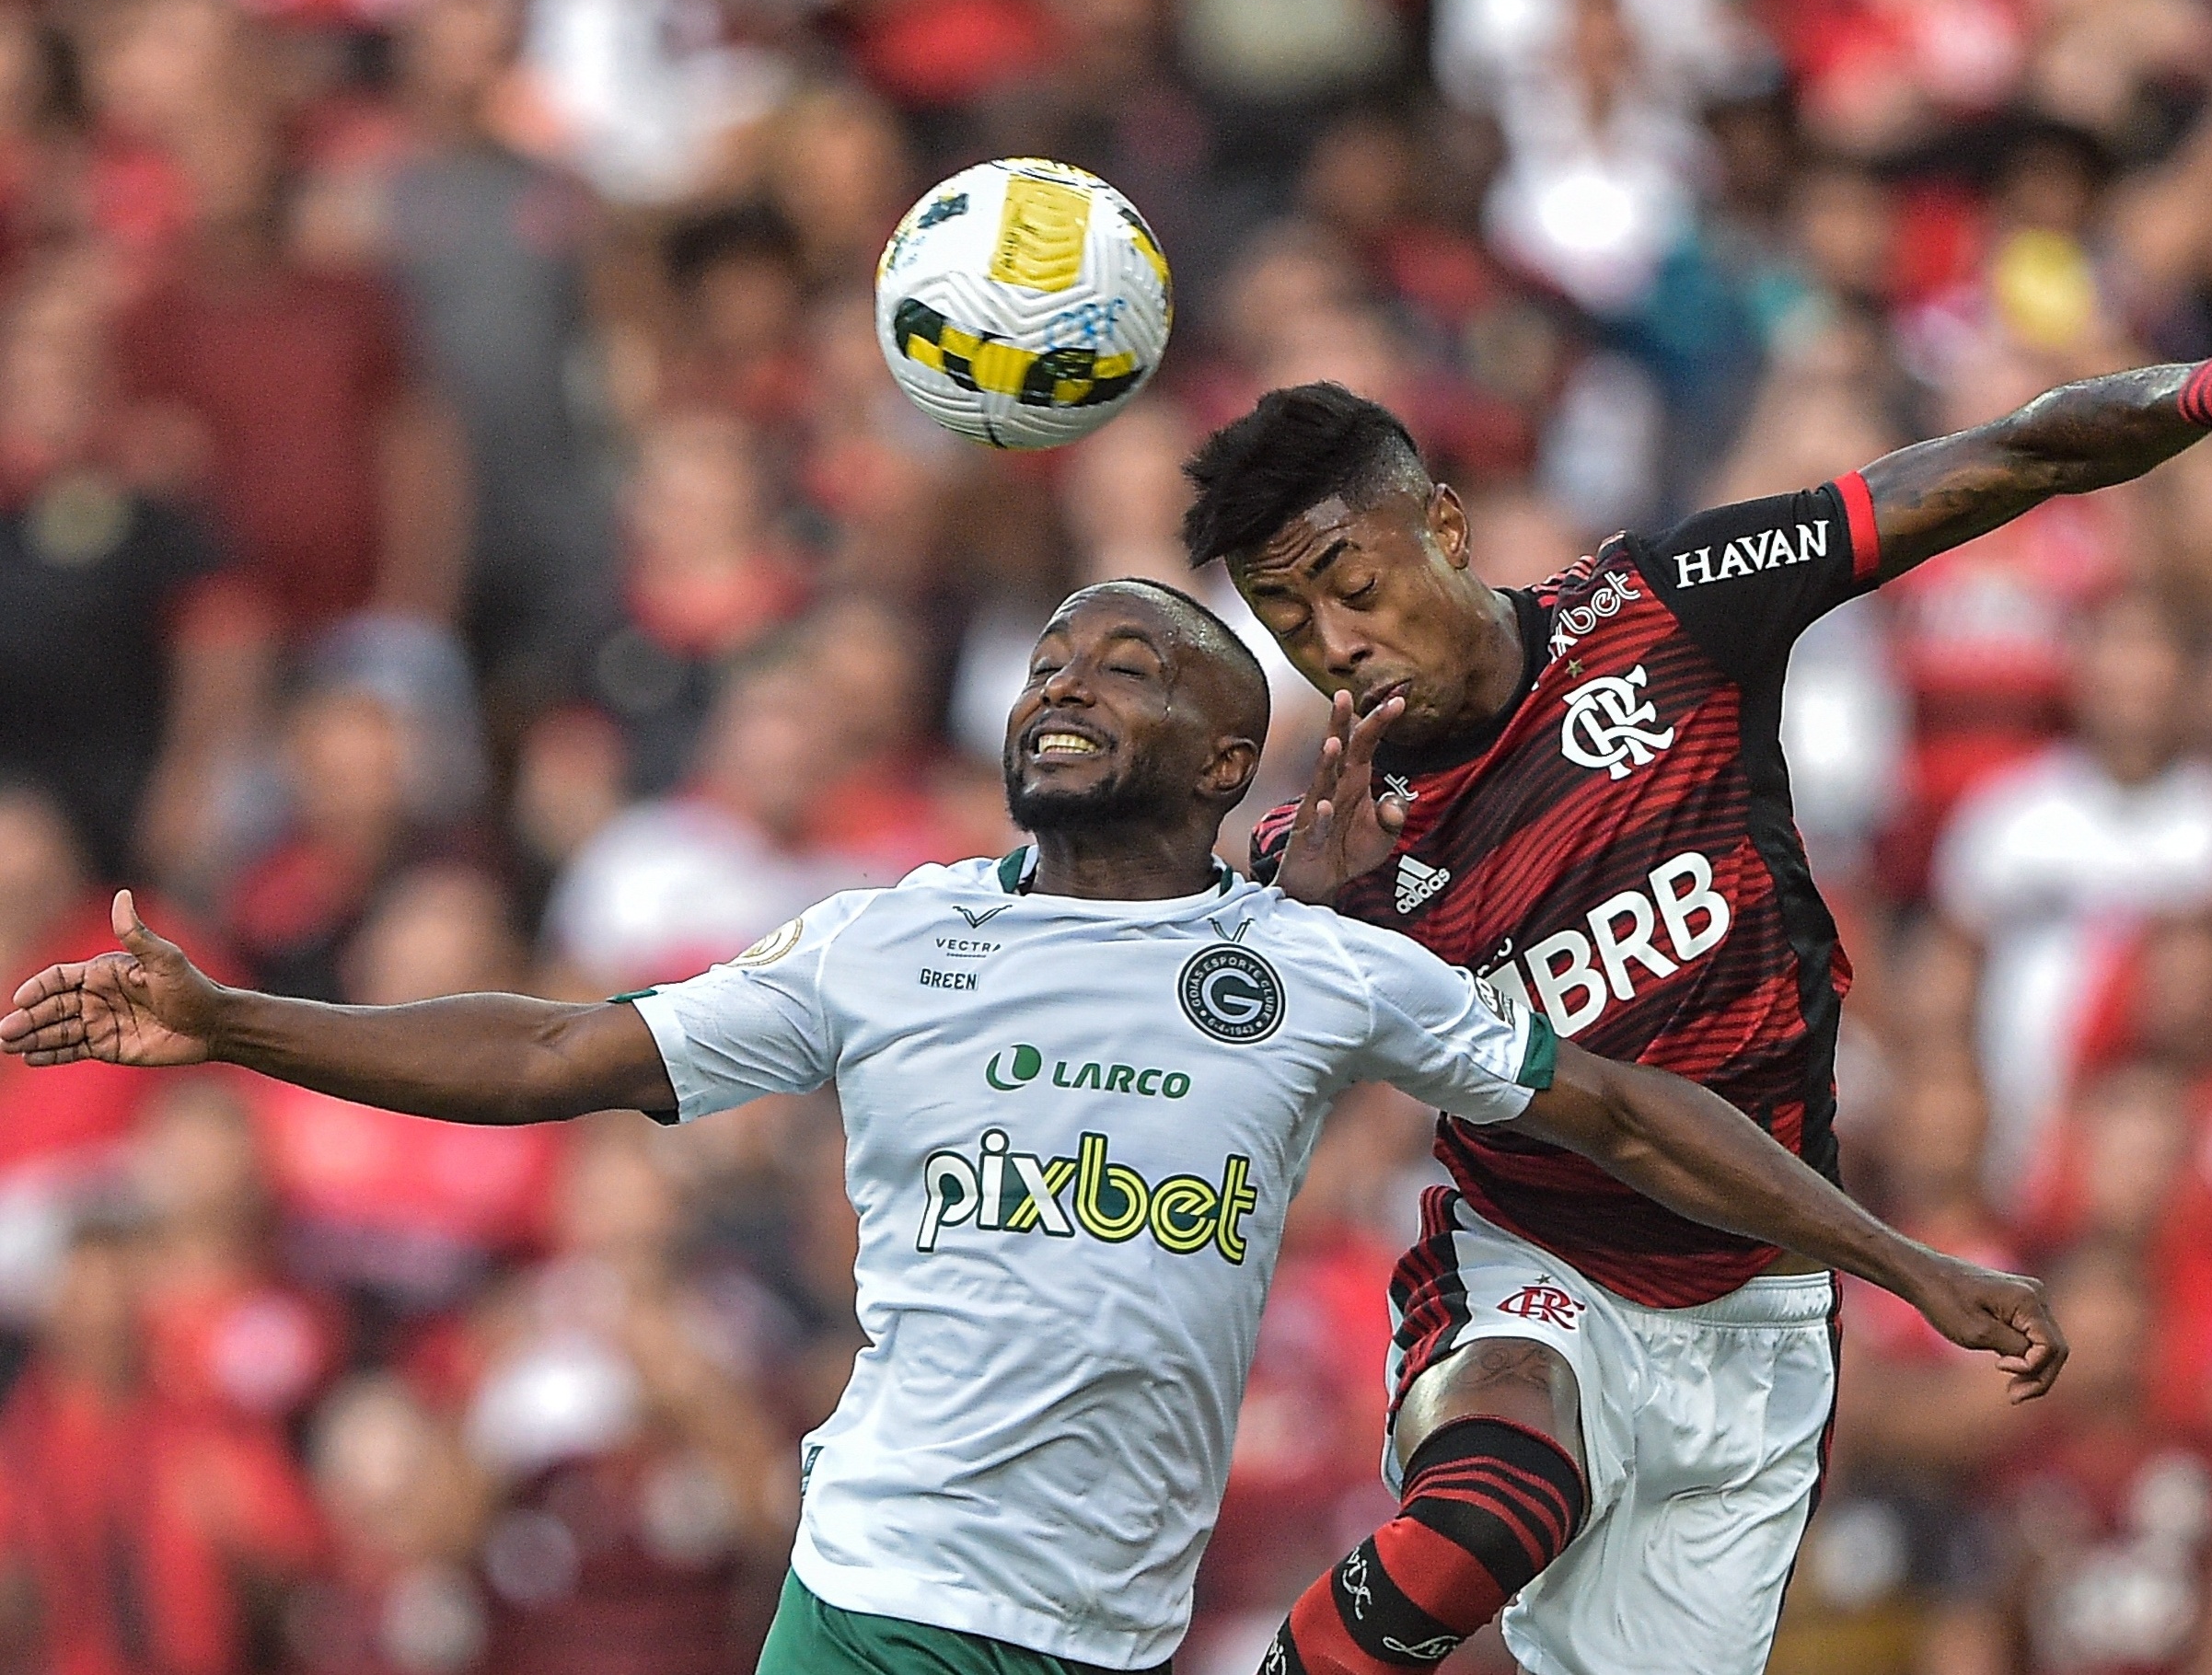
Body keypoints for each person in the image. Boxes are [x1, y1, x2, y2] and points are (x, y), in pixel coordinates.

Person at [2, 579, 2063, 1675]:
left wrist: (1897, 1260)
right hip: (882, 1592)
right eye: (1047, 660)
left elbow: (1623, 1113)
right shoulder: (885, 939)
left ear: (1226, 744)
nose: (1059, 687)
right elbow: (559, 1053)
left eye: (1125, 662)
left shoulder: (1314, 966)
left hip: (1117, 1621)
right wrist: (236, 1017)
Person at [1183, 256, 2212, 1675]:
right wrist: (1302, 932)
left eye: (1350, 585)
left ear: (1442, 522)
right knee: (1494, 1498)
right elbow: (1192, 1101)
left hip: (1759, 1310)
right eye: (1288, 616)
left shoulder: (1669, 612)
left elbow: (2008, 455)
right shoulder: (1322, 855)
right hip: (1530, 1262)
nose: (1334, 644)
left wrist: (2209, 390)